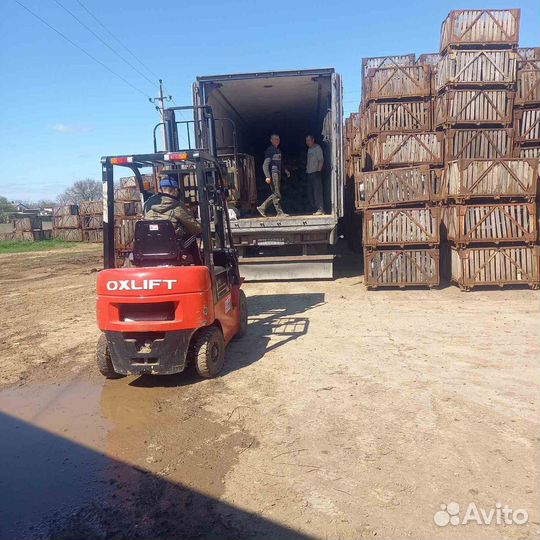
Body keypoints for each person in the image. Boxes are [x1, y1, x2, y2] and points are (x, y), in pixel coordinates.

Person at [144, 176, 202, 264]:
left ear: (161, 190)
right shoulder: (178, 207)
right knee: (192, 237)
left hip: (149, 248)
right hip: (171, 248)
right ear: (175, 190)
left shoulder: (148, 207)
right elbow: (196, 229)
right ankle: (199, 266)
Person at [257, 134, 291, 218]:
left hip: (278, 173)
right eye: (275, 139)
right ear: (271, 140)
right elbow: (265, 164)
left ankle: (264, 208)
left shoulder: (278, 150)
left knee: (275, 193)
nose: (277, 141)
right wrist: (267, 176)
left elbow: (280, 163)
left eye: (278, 139)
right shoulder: (270, 150)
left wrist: (285, 170)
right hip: (274, 174)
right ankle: (270, 210)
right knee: (276, 194)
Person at [305, 135, 325, 215]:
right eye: (306, 141)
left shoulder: (317, 148)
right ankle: (314, 209)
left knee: (317, 192)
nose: (307, 142)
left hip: (316, 173)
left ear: (313, 140)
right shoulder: (309, 149)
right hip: (309, 173)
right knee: (311, 193)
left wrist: (318, 171)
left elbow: (321, 160)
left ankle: (320, 209)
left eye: (309, 140)